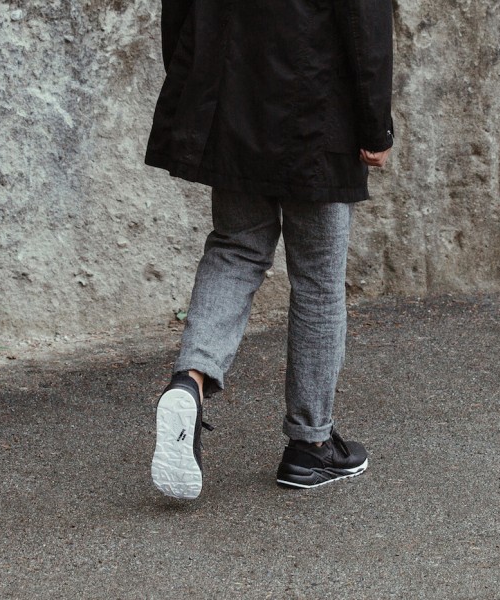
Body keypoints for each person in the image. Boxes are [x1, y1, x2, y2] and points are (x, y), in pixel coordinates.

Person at [146, 0, 394, 499]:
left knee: (235, 248)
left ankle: (189, 382)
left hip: (232, 104)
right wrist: (375, 124)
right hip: (320, 112)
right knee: (318, 280)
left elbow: (179, 10)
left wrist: (196, 86)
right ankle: (311, 445)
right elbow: (364, 18)